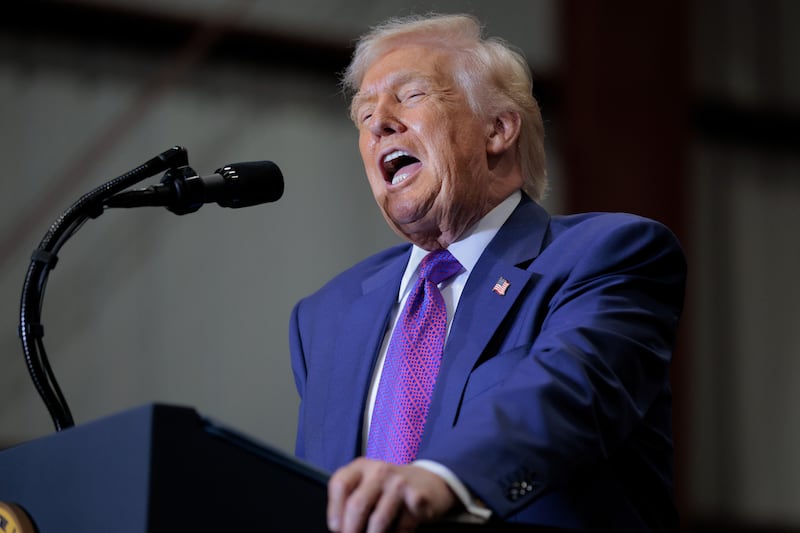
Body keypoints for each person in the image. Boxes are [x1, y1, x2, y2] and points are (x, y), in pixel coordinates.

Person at [289, 13, 686, 533]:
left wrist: (443, 479)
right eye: (364, 115)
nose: (378, 123)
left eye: (410, 96)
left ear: (497, 129)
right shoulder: (326, 315)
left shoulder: (606, 255)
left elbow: (566, 393)